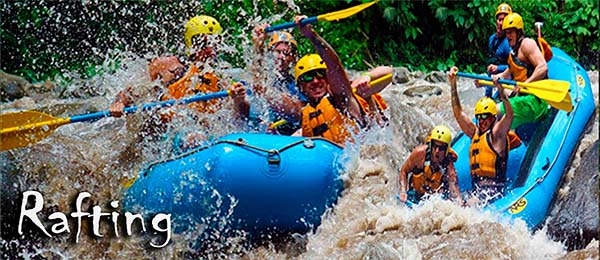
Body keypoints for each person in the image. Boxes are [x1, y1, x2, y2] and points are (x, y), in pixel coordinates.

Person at [293, 15, 392, 145]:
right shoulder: (306, 114)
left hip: (367, 156)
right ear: (300, 86)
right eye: (308, 77)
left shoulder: (342, 98)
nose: (315, 81)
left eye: (320, 74)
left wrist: (312, 36)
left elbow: (334, 65)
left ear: (328, 77)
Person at [448, 67, 522, 202]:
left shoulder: (497, 134)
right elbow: (458, 114)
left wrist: (500, 90)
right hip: (476, 190)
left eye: (485, 117)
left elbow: (510, 115)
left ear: (493, 118)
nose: (481, 121)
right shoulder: (475, 133)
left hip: (493, 192)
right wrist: (453, 85)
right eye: (479, 117)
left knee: (467, 207)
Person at [491, 12, 549, 129]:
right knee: (500, 96)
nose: (508, 36)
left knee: (494, 110)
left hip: (535, 101)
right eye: (506, 32)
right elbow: (505, 75)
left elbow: (543, 67)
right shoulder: (513, 52)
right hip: (523, 97)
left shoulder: (527, 44)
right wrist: (489, 80)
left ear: (519, 32)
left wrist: (525, 84)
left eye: (511, 32)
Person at [398, 125, 463, 205]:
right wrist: (403, 191)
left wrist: (459, 204)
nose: (437, 151)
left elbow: (454, 190)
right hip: (415, 195)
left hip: (433, 201)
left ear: (446, 150)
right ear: (431, 144)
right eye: (435, 146)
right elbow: (404, 171)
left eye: (441, 148)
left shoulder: (449, 167)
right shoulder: (419, 154)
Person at [484, 3, 513, 97]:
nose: (501, 23)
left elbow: (515, 68)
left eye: (504, 20)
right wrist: (487, 95)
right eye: (499, 19)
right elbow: (491, 69)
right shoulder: (491, 39)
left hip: (508, 80)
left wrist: (498, 68)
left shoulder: (509, 43)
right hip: (495, 77)